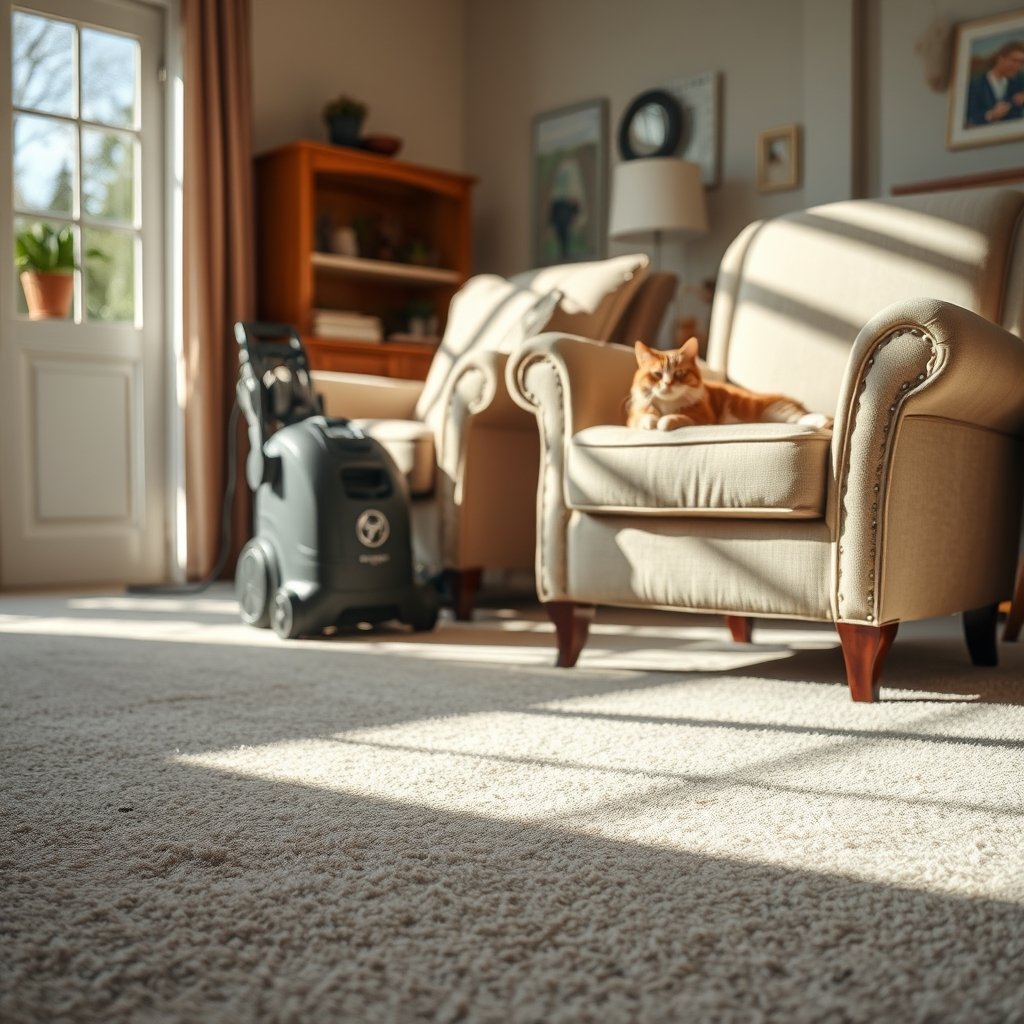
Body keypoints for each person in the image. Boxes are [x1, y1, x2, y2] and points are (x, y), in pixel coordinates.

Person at [965, 40, 1024, 127]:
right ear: (1001, 59)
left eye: (1021, 63)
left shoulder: (1019, 84)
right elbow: (968, 117)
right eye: (1014, 61)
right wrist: (990, 115)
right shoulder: (975, 85)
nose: (1018, 66)